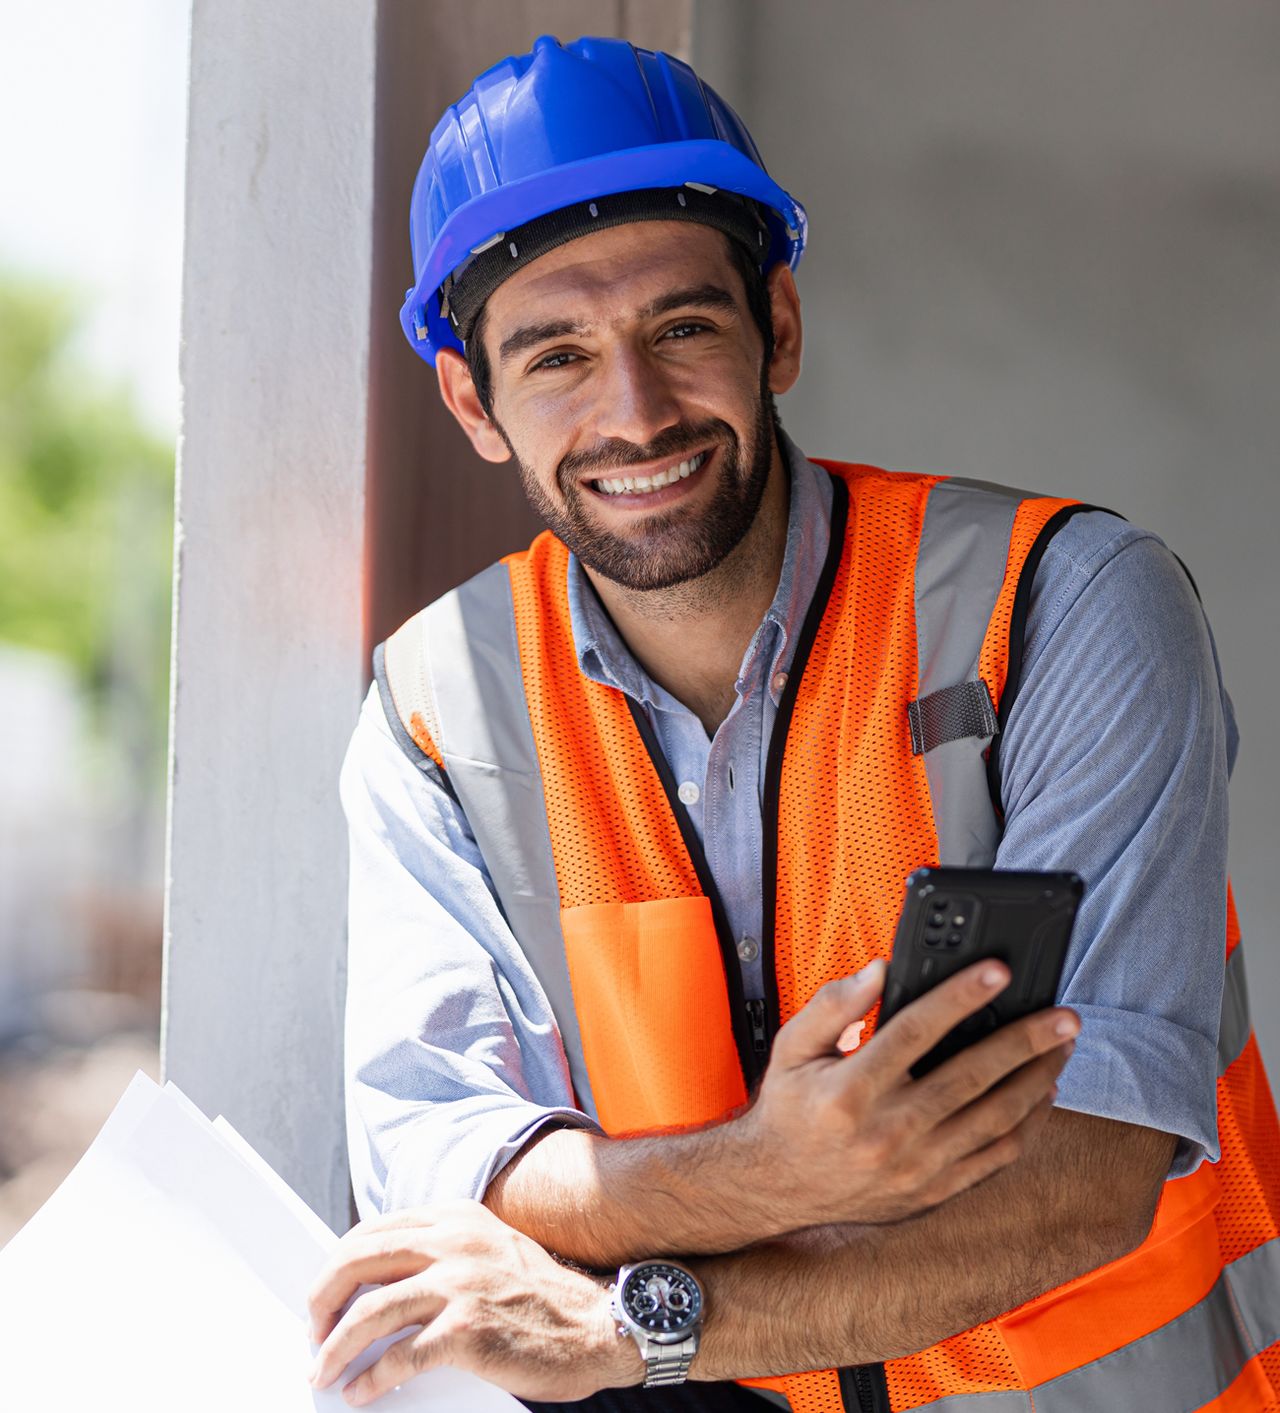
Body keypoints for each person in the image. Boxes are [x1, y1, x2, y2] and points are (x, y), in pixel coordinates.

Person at [308, 35, 1280, 1413]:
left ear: (782, 325)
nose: (633, 411)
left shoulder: (1061, 608)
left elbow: (1087, 1176)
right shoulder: (432, 711)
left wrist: (627, 1320)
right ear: (475, 402)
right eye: (557, 355)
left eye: (683, 327)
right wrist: (775, 1167)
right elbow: (449, 1179)